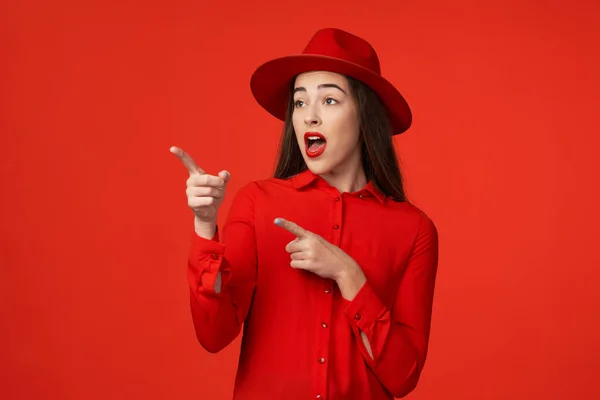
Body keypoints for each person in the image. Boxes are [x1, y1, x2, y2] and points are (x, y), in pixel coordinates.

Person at [170, 28, 439, 400]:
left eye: (329, 100)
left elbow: (403, 376)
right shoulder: (257, 202)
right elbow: (213, 335)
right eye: (299, 103)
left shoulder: (414, 229)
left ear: (365, 114)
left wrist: (349, 274)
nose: (309, 116)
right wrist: (204, 227)